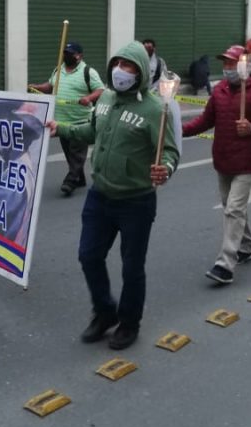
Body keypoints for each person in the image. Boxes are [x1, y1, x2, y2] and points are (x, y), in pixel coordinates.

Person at [47, 40, 179, 350]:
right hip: (100, 196)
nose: (121, 71)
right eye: (118, 64)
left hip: (136, 201)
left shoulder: (154, 109)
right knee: (88, 255)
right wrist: (60, 128)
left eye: (129, 66)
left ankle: (129, 323)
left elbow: (170, 151)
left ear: (141, 73)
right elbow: (91, 131)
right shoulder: (104, 99)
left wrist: (166, 168)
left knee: (132, 267)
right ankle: (105, 312)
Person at [182, 45, 251, 285]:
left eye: (231, 63)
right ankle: (246, 245)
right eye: (224, 64)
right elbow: (205, 120)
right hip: (223, 158)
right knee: (232, 206)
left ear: (244, 65)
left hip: (248, 160)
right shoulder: (219, 91)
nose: (227, 69)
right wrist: (178, 131)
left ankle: (225, 263)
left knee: (234, 209)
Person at [28, 41, 104, 196]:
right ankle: (79, 177)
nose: (67, 56)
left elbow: (101, 90)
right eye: (65, 53)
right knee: (69, 152)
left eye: (71, 53)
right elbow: (50, 86)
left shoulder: (88, 72)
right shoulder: (58, 69)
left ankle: (70, 181)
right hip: (61, 122)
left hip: (80, 121)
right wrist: (36, 87)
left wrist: (89, 98)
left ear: (79, 56)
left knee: (76, 152)